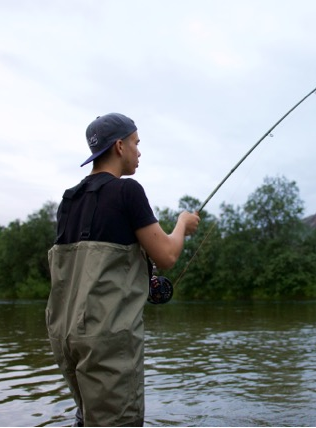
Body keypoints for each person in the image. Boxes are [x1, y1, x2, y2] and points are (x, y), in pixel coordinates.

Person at [45, 112, 200, 427]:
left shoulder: (68, 201)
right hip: (107, 339)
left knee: (86, 417)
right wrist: (183, 223)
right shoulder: (128, 191)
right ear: (119, 146)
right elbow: (167, 255)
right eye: (136, 143)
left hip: (65, 334)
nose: (139, 151)